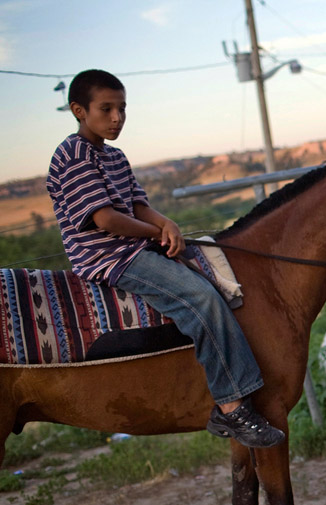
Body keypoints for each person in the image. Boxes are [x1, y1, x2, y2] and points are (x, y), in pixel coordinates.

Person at [46, 69, 283, 449]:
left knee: (221, 269)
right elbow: (104, 218)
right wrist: (157, 234)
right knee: (199, 297)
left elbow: (139, 205)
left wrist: (166, 223)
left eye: (122, 108)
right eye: (105, 109)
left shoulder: (115, 156)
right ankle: (233, 408)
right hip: (109, 257)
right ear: (78, 110)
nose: (117, 118)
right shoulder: (72, 155)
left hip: (134, 246)